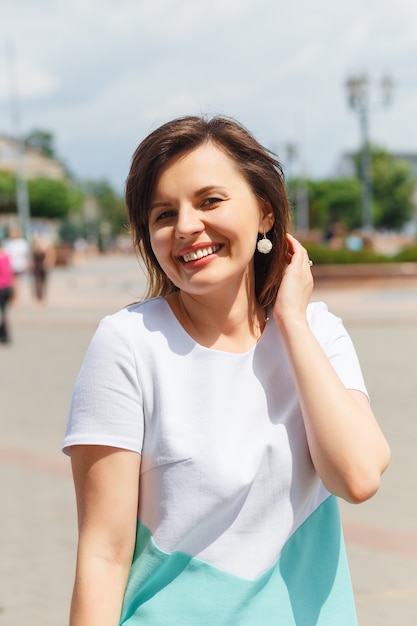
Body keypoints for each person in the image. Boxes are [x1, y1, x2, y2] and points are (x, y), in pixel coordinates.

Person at [63, 116, 390, 625]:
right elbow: (103, 555)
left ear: (264, 212)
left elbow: (358, 476)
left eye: (210, 201)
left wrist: (291, 322)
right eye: (163, 214)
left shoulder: (317, 332)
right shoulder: (128, 344)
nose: (187, 226)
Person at [30, 232, 56, 303]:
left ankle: (43, 297)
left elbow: (50, 255)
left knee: (44, 282)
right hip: (37, 267)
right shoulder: (35, 246)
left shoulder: (47, 246)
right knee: (37, 282)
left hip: (44, 267)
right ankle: (38, 298)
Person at [0, 240, 14, 343]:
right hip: (7, 287)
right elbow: (10, 273)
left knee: (2, 312)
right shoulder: (7, 257)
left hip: (1, 287)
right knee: (3, 311)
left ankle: (3, 334)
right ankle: (4, 335)